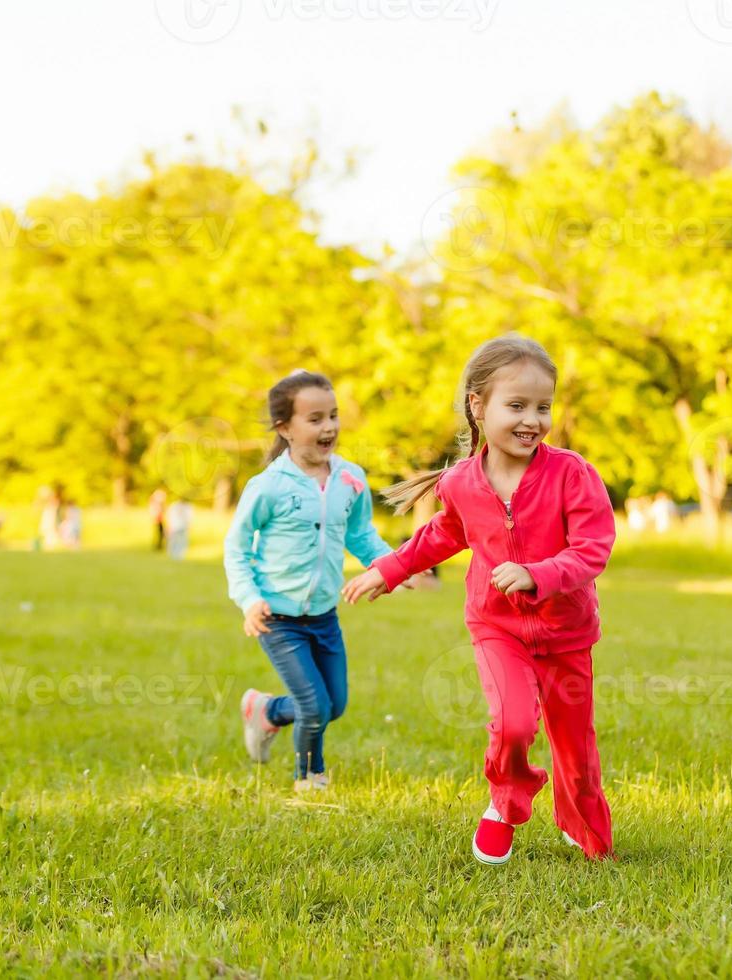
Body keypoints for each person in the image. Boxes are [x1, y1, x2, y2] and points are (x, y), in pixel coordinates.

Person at [343, 334, 616, 864]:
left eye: (542, 407)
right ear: (478, 405)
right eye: (516, 406)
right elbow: (444, 534)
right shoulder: (463, 482)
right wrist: (391, 569)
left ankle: (579, 817)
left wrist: (539, 574)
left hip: (566, 632)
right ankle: (506, 804)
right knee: (513, 724)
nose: (531, 420)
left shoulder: (572, 475)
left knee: (576, 750)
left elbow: (593, 548)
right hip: (499, 629)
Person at [226, 370, 398, 792]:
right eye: (316, 418)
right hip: (278, 618)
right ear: (284, 428)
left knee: (334, 704)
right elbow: (236, 547)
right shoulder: (268, 486)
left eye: (334, 416)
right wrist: (249, 600)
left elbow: (360, 535)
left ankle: (266, 711)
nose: (330, 427)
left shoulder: (350, 479)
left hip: (324, 616)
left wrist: (395, 564)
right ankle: (311, 778)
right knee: (314, 705)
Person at [149, 486, 168, 551]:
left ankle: (159, 545)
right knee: (160, 532)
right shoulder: (156, 503)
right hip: (158, 518)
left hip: (159, 518)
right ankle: (159, 545)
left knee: (159, 532)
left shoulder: (155, 502)